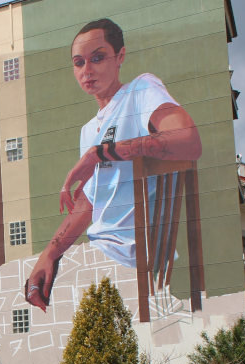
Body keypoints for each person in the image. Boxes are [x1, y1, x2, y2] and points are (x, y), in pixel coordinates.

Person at [25, 17, 202, 311]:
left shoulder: (141, 90)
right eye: (79, 63)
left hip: (133, 255)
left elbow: (189, 140)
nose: (87, 70)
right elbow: (89, 204)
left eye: (97, 58)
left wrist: (101, 153)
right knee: (28, 279)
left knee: (1, 287)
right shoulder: (88, 130)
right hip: (101, 252)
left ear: (120, 57)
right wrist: (50, 254)